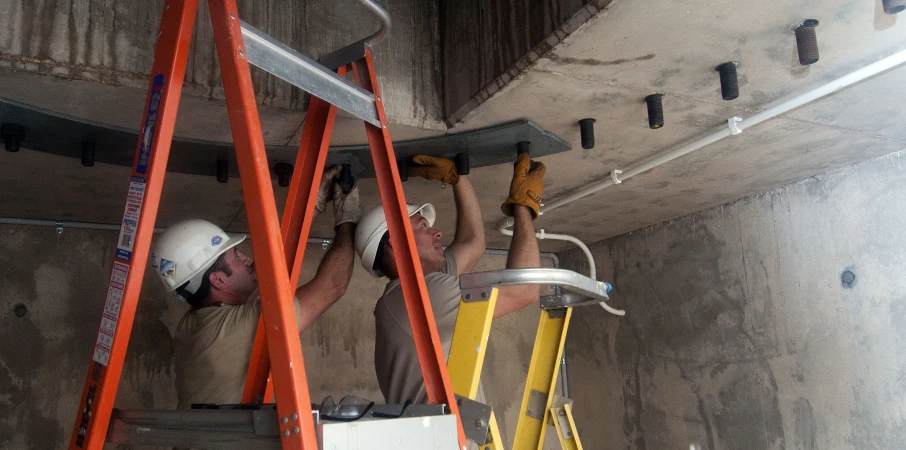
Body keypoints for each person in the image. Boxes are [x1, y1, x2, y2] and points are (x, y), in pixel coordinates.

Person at [151, 166, 361, 408]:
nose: (247, 258)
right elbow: (332, 286)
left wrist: (312, 204)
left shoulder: (196, 322)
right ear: (218, 280)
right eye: (236, 256)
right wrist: (348, 222)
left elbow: (269, 271)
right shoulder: (236, 330)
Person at [355, 153, 546, 404]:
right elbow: (526, 290)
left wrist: (459, 180)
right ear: (396, 240)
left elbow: (472, 243)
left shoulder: (411, 294)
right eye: (423, 225)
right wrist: (523, 207)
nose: (437, 232)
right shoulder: (422, 296)